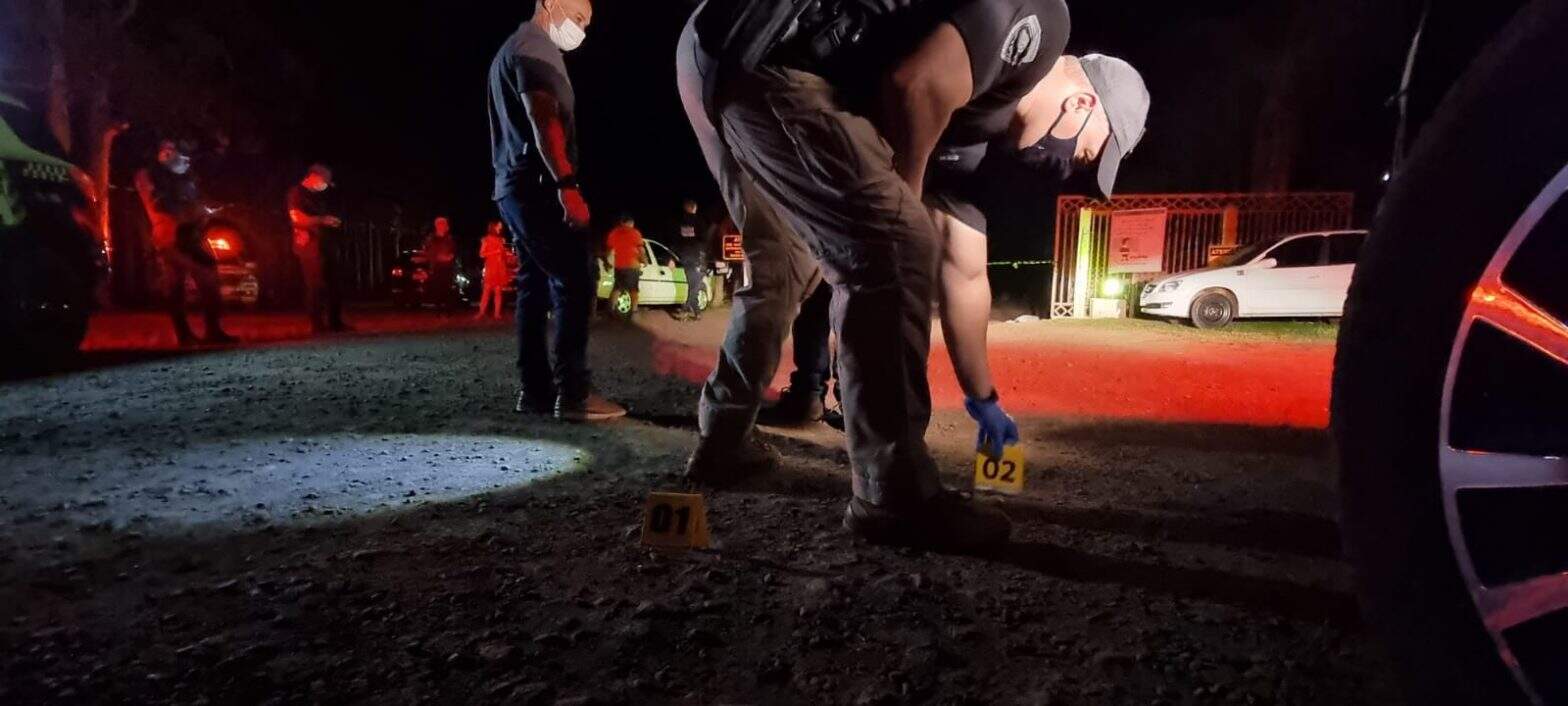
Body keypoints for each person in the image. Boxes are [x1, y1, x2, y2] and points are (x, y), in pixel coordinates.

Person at [681, 0, 1148, 552]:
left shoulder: (975, 135)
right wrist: (894, 221)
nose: (1069, 169)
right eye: (1088, 154)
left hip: (711, 53)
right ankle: (893, 493)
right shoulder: (1044, 22)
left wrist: (985, 400)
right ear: (1082, 102)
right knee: (893, 245)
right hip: (770, 45)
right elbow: (915, 84)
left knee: (784, 263)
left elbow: (967, 275)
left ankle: (723, 438)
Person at [489, 0, 626, 422]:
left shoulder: (510, 48)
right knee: (575, 281)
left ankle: (535, 390)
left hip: (513, 185)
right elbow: (541, 115)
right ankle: (574, 395)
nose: (582, 29)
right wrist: (566, 185)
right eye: (579, 17)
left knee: (533, 286)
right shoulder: (536, 46)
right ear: (550, 3)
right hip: (540, 185)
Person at [134, 140, 236, 347]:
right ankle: (192, 333)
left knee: (191, 281)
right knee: (190, 279)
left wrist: (204, 210)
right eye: (169, 152)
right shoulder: (151, 175)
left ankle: (204, 332)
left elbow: (193, 199)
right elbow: (160, 204)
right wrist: (192, 211)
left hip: (188, 233)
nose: (181, 159)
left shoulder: (184, 176)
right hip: (171, 235)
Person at [287, 163, 352, 333]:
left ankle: (335, 322)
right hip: (310, 246)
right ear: (313, 176)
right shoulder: (297, 193)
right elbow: (297, 218)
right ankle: (316, 324)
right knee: (315, 284)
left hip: (327, 243)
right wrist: (321, 220)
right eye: (325, 180)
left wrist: (333, 221)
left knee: (334, 283)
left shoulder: (324, 196)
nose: (327, 184)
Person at [676, 199, 711, 319]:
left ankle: (696, 312)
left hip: (685, 258)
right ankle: (686, 310)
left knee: (693, 285)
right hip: (697, 258)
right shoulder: (699, 221)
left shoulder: (680, 222)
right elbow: (705, 240)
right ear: (694, 208)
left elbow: (679, 241)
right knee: (695, 285)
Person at [605, 215, 644, 316]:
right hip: (632, 265)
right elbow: (641, 249)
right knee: (634, 289)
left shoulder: (614, 233)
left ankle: (611, 309)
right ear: (631, 223)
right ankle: (634, 310)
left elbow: (609, 249)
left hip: (619, 265)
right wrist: (644, 260)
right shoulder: (635, 233)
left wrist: (607, 262)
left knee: (617, 288)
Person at [421, 217, 459, 309]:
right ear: (436, 226)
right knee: (437, 287)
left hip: (447, 267)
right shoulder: (432, 238)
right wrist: (435, 257)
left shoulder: (449, 238)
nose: (441, 226)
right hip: (436, 266)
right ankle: (439, 308)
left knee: (447, 287)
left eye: (443, 224)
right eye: (439, 224)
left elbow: (454, 250)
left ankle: (447, 308)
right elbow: (428, 250)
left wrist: (450, 256)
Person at [475, 221, 511, 320]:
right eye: (499, 226)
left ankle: (497, 314)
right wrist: (495, 252)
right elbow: (482, 254)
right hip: (491, 267)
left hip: (499, 267)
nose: (500, 228)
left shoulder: (501, 240)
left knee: (498, 292)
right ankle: (481, 312)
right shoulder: (486, 239)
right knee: (486, 291)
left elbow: (504, 255)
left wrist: (506, 254)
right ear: (494, 227)